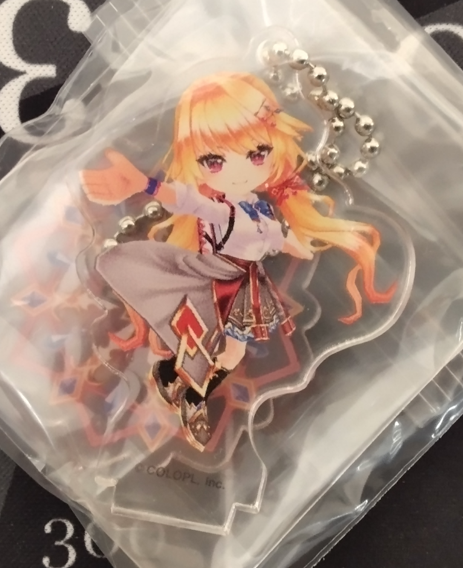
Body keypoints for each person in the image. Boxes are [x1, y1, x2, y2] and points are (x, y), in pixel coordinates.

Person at [81, 72, 396, 451]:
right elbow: (189, 201)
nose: (240, 170)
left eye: (258, 154)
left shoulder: (258, 207)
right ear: (194, 159)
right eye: (214, 160)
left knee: (231, 350)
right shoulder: (221, 210)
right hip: (218, 280)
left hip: (243, 282)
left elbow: (272, 235)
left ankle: (176, 377)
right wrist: (147, 186)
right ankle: (191, 391)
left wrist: (298, 244)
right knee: (216, 345)